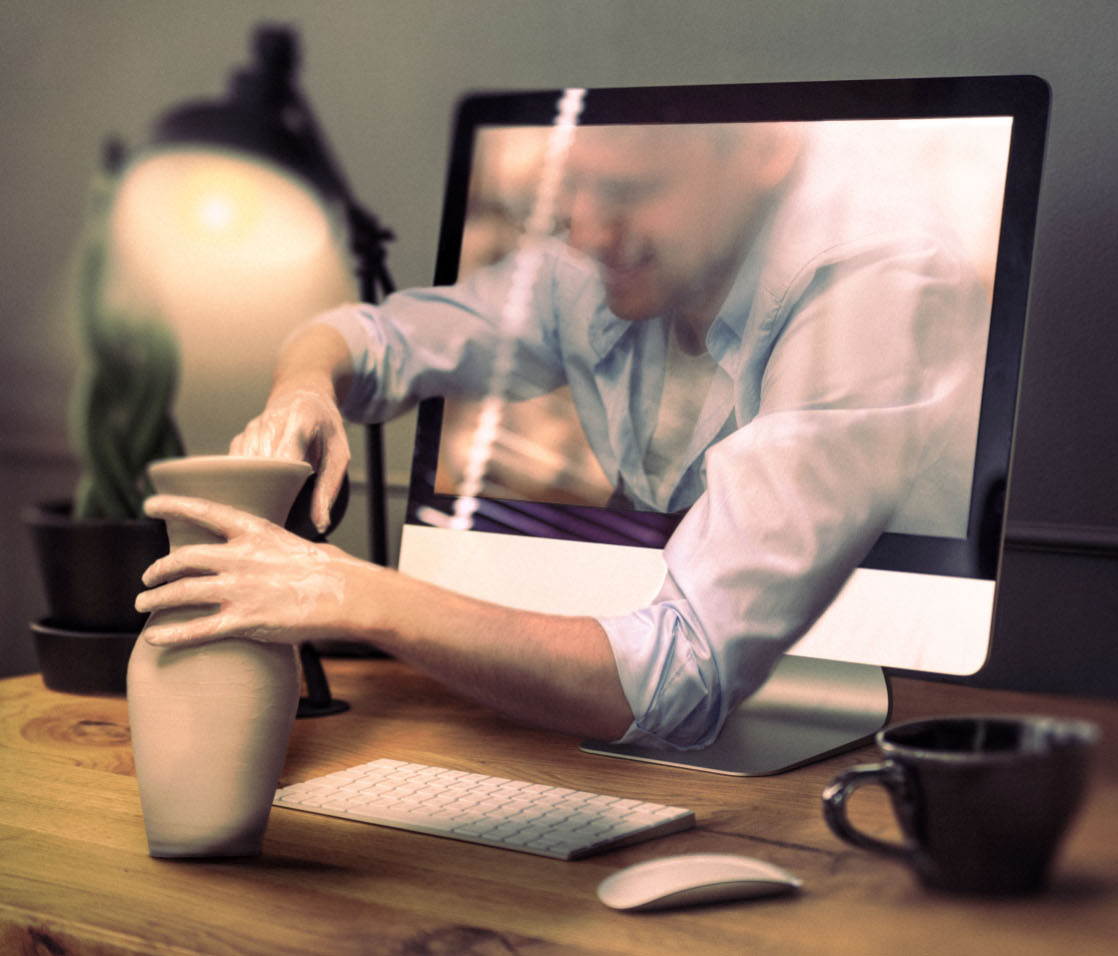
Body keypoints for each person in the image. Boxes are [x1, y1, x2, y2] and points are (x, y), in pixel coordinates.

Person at [135, 120, 990, 750]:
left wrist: (346, 593)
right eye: (573, 188)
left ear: (767, 150)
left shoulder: (877, 277)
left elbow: (682, 675)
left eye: (624, 192)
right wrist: (304, 385)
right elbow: (382, 338)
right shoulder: (599, 265)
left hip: (900, 717)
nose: (581, 232)